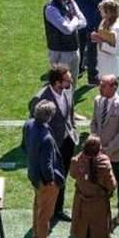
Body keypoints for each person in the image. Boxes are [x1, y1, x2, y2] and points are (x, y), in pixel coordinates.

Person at [35, 65, 78, 224]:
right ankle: (48, 210)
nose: (71, 81)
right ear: (57, 82)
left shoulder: (68, 90)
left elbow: (70, 112)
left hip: (67, 141)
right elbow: (36, 124)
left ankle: (58, 209)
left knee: (63, 176)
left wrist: (73, 129)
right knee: (51, 179)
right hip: (52, 145)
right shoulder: (41, 98)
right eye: (67, 79)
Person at [69, 135, 116, 238]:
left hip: (81, 204)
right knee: (99, 237)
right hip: (99, 205)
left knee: (82, 235)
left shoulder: (76, 161)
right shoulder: (104, 163)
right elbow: (112, 185)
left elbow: (72, 174)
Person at [90, 74, 119, 226]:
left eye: (104, 85)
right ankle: (102, 208)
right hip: (100, 151)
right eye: (100, 85)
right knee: (100, 181)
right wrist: (95, 141)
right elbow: (94, 123)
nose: (100, 88)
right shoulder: (98, 100)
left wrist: (107, 151)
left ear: (114, 87)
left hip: (117, 153)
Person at [25, 99, 66, 238]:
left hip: (34, 176)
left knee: (37, 208)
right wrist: (50, 181)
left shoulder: (29, 125)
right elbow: (47, 165)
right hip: (45, 181)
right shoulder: (47, 138)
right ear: (49, 117)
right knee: (45, 215)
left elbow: (25, 147)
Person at [68, 0, 110, 84]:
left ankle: (79, 68)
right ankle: (93, 77)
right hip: (91, 17)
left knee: (80, 43)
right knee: (92, 48)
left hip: (77, 14)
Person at [44, 0, 89, 79]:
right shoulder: (51, 9)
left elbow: (84, 22)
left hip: (74, 50)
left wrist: (72, 23)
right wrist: (75, 20)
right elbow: (67, 30)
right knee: (61, 87)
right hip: (60, 54)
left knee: (72, 86)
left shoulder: (71, 1)